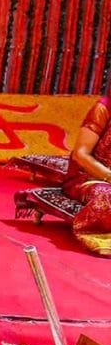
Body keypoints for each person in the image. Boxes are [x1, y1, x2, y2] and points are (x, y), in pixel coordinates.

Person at [63, 89, 111, 255]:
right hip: (91, 175)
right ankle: (100, 235)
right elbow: (81, 154)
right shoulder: (103, 108)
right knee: (106, 196)